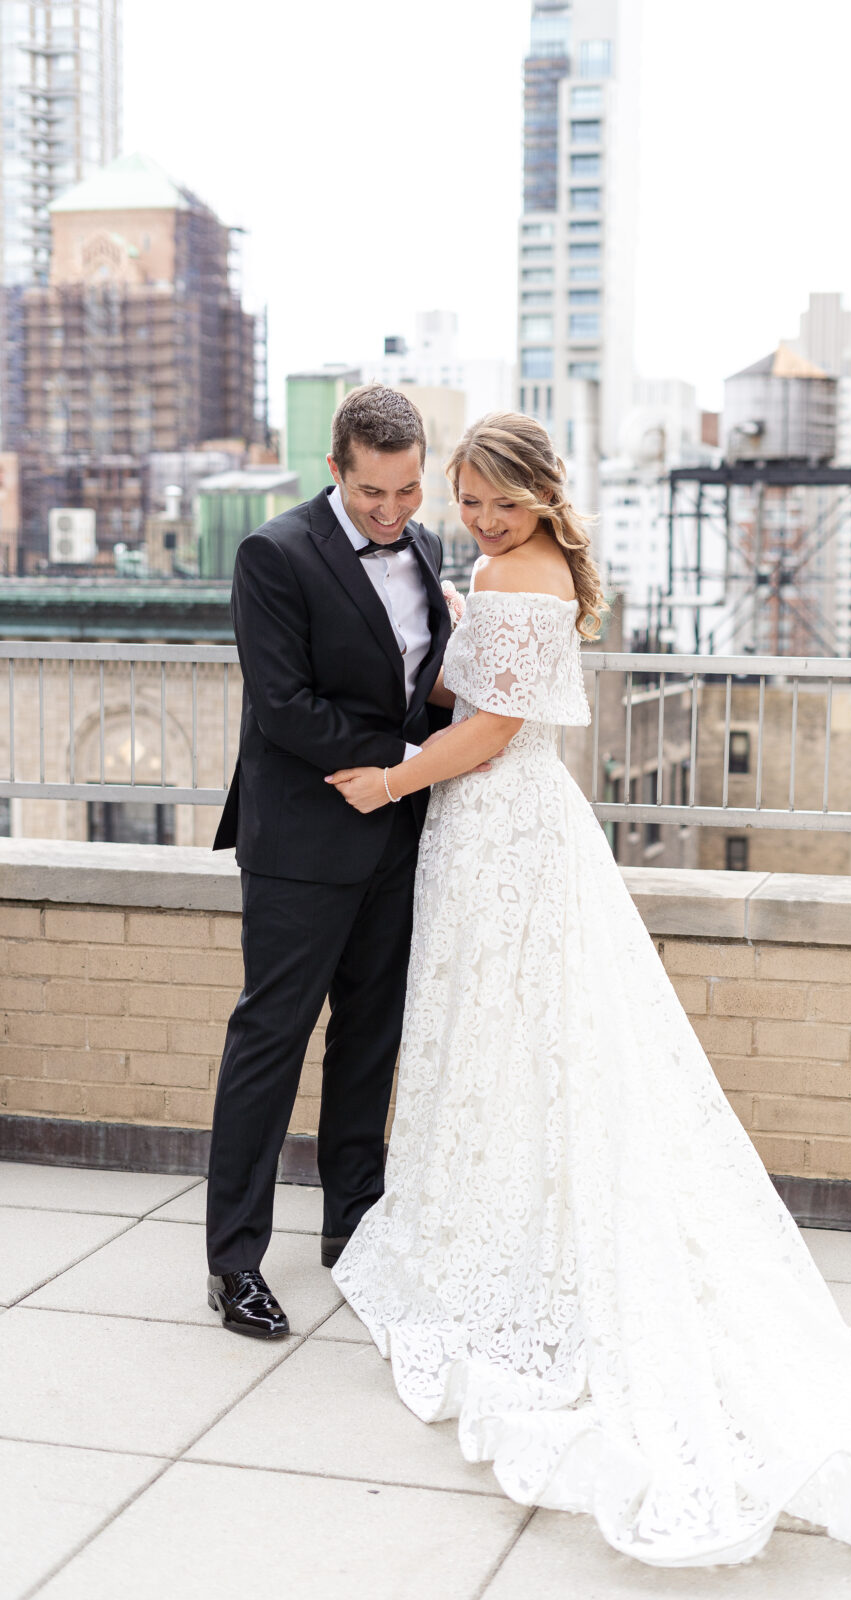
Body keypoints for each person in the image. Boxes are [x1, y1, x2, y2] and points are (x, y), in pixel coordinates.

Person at [327, 411, 851, 1567]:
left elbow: (490, 731)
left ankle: (509, 1238)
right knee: (496, 1030)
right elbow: (475, 681)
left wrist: (390, 780)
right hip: (498, 832)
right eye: (463, 500)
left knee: (519, 1029)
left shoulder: (523, 574)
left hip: (500, 821)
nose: (476, 518)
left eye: (495, 500)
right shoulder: (513, 568)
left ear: (537, 494)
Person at [205, 384, 453, 1340]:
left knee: (368, 1041)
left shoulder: (427, 549)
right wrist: (401, 764)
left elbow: (415, 686)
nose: (391, 513)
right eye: (371, 494)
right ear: (335, 469)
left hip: (397, 833)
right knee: (270, 1044)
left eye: (407, 492)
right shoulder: (273, 552)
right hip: (304, 842)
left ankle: (353, 1231)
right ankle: (234, 1264)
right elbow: (284, 706)